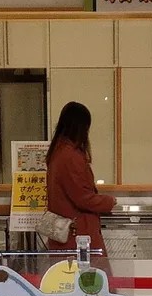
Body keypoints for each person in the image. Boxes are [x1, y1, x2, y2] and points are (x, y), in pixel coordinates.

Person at [44, 101, 115, 273]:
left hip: (64, 233)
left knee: (65, 283)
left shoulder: (57, 152)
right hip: (79, 234)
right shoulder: (71, 156)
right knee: (92, 284)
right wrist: (109, 201)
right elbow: (83, 197)